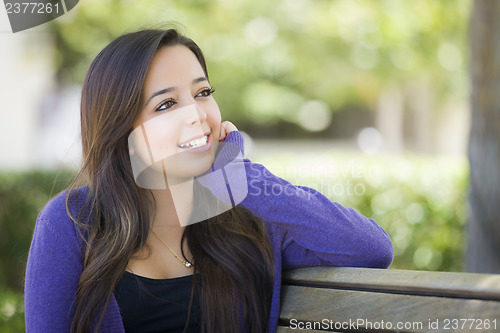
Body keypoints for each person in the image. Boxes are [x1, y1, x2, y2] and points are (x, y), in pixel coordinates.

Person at [24, 28, 394, 333]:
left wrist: (242, 178)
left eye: (202, 93)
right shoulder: (73, 222)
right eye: (166, 104)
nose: (197, 114)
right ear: (123, 130)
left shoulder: (249, 221)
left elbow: (371, 249)